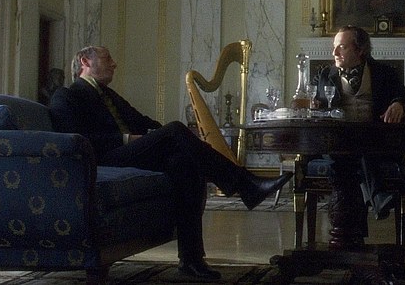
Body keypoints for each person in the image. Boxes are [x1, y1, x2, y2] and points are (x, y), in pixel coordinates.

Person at [49, 46, 293, 281]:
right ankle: (246, 184)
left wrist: (179, 140)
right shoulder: (67, 95)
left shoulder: (109, 95)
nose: (114, 63)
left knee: (183, 162)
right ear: (85, 62)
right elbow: (76, 139)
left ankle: (191, 260)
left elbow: (143, 121)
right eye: (107, 58)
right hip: (104, 158)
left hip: (129, 153)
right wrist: (129, 138)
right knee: (176, 130)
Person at [311, 25, 405, 221]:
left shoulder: (384, 73)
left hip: (375, 139)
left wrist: (398, 104)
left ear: (359, 50)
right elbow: (313, 103)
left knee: (361, 149)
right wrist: (312, 105)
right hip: (336, 142)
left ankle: (360, 213)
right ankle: (377, 196)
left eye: (341, 47)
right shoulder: (325, 75)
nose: (334, 53)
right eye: (334, 47)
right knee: (357, 150)